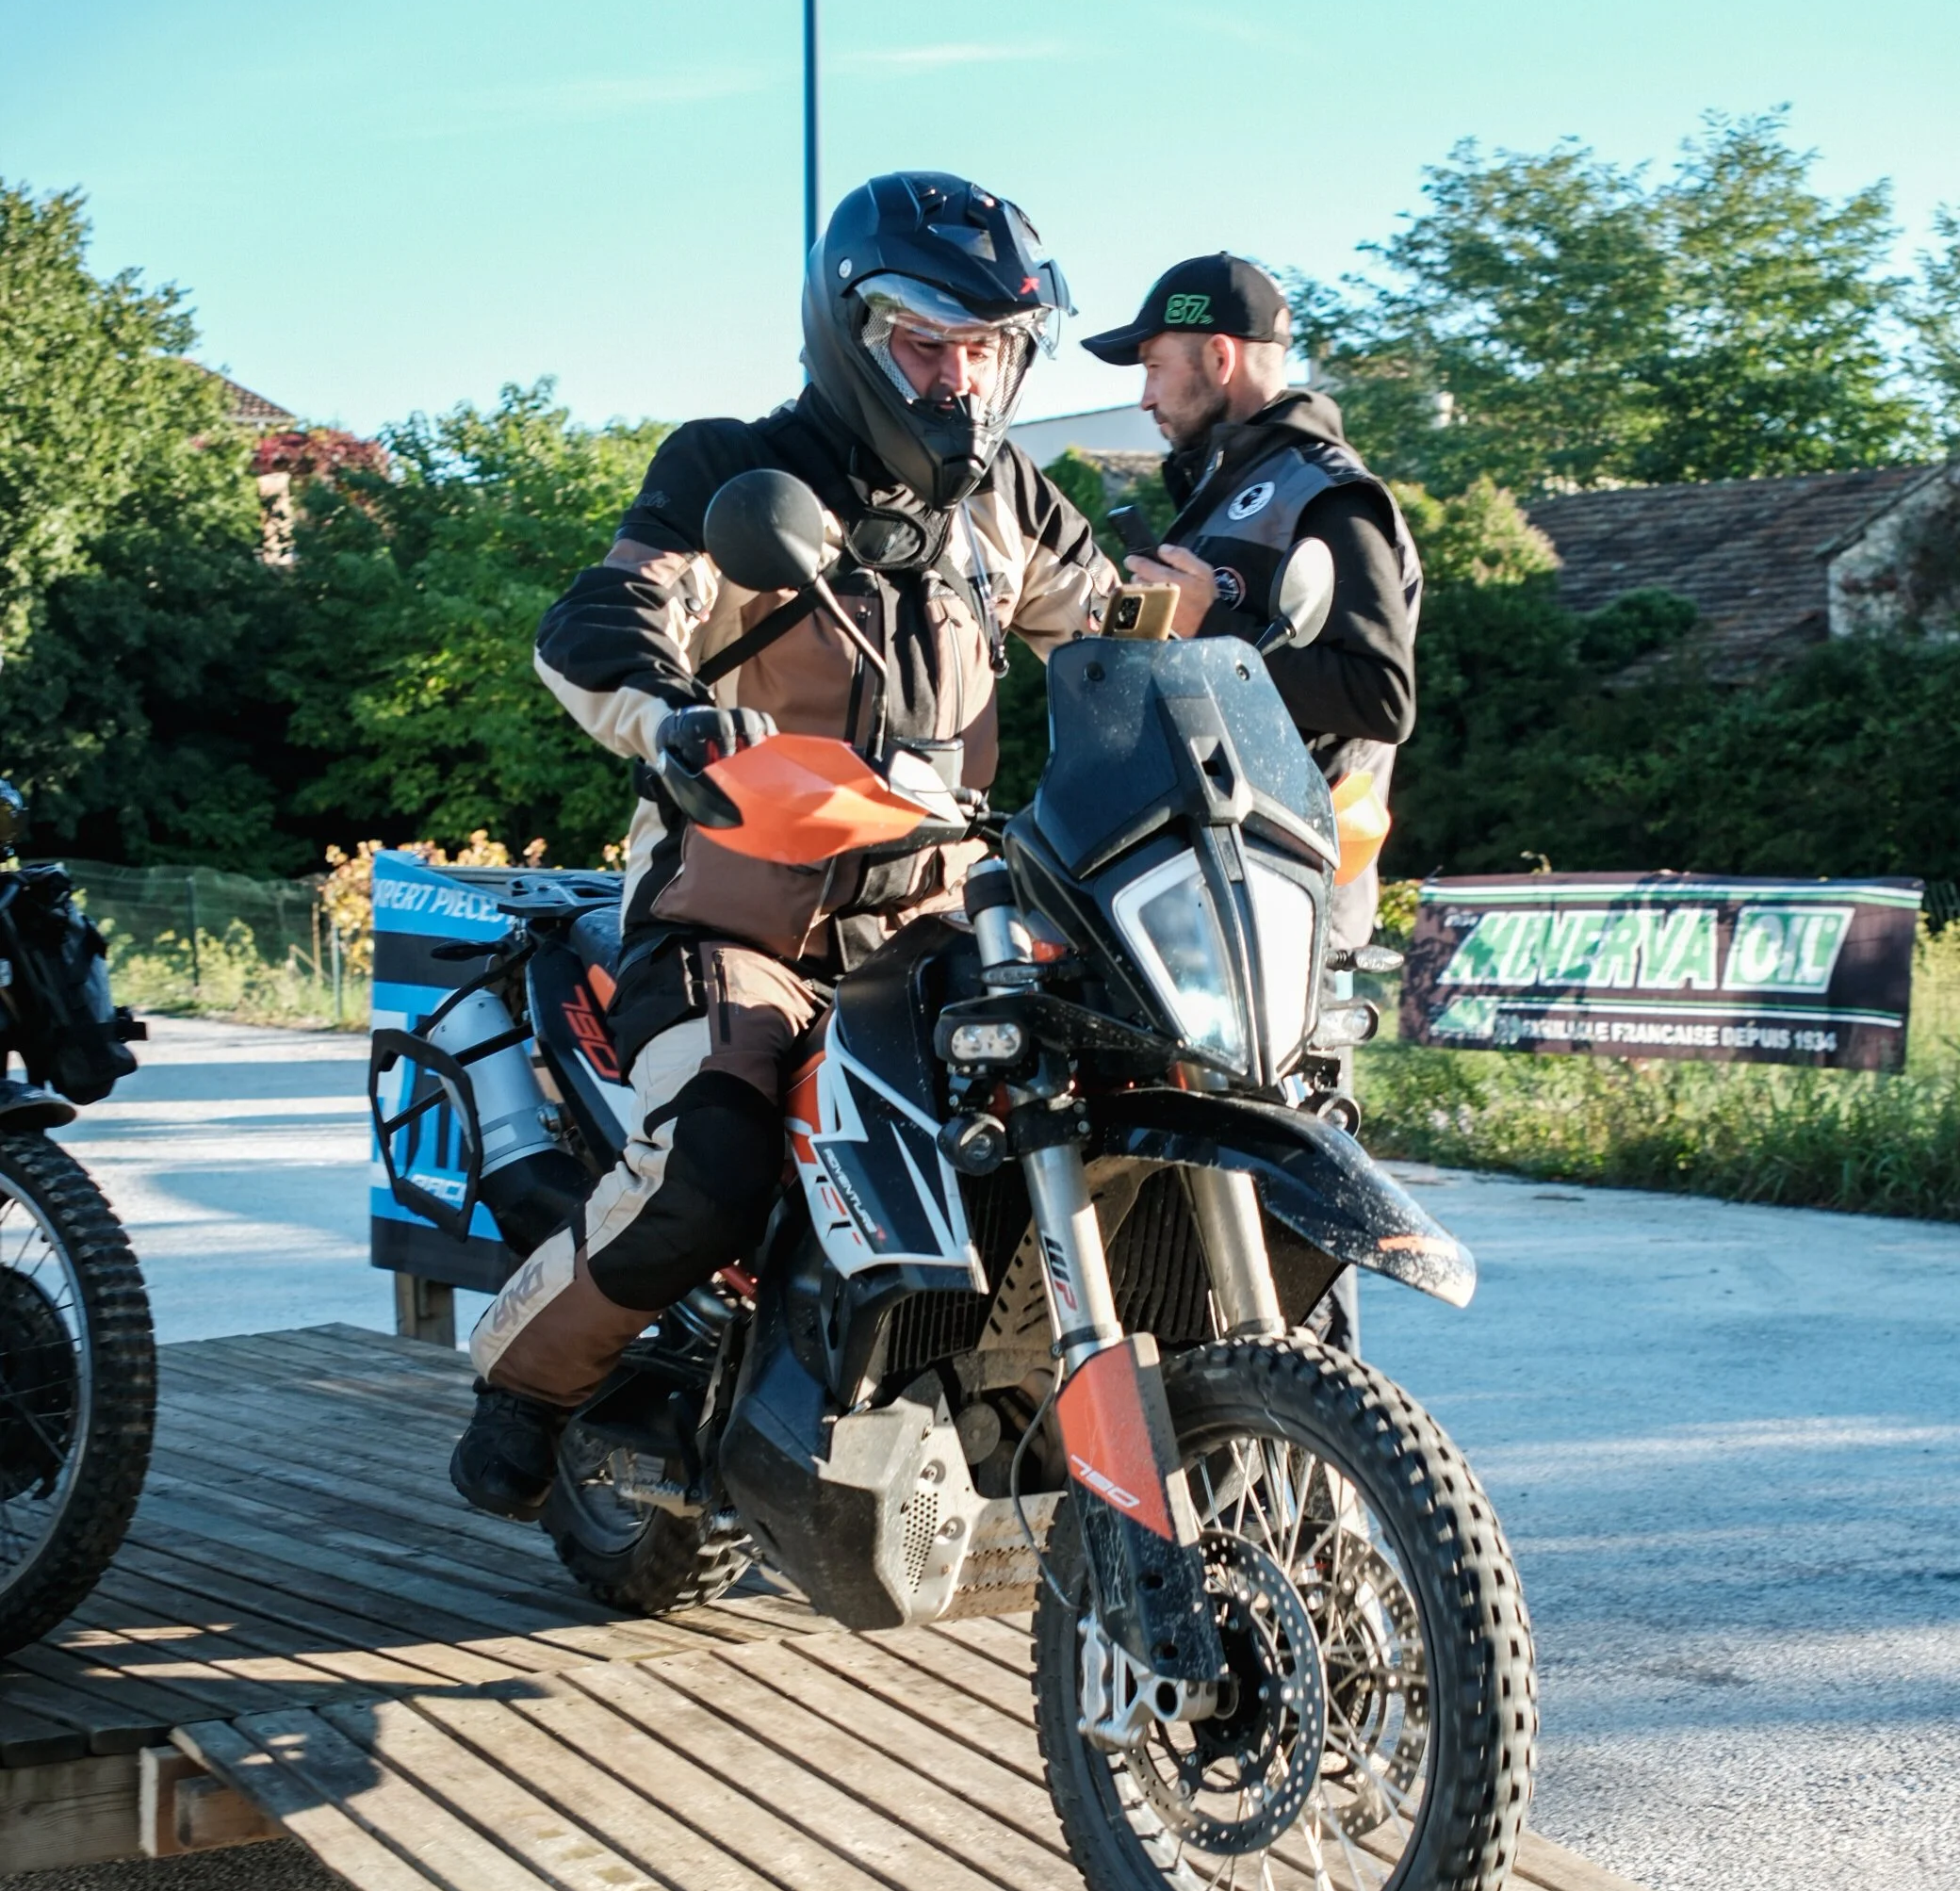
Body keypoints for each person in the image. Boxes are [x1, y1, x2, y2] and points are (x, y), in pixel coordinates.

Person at [450, 171, 1116, 1520]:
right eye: (930, 345)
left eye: (990, 351)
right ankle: (523, 1391)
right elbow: (610, 611)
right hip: (733, 921)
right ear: (851, 333)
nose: (962, 383)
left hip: (932, 931)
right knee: (711, 1161)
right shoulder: (732, 470)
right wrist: (666, 715)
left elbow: (1117, 627)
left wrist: (1242, 645)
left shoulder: (1012, 510)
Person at [1081, 253, 1420, 951]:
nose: (1145, 399)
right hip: (1201, 897)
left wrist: (1213, 623)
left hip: (1294, 909)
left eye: (1153, 368)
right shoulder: (1223, 497)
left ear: (1219, 355)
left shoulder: (1327, 494)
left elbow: (1382, 700)